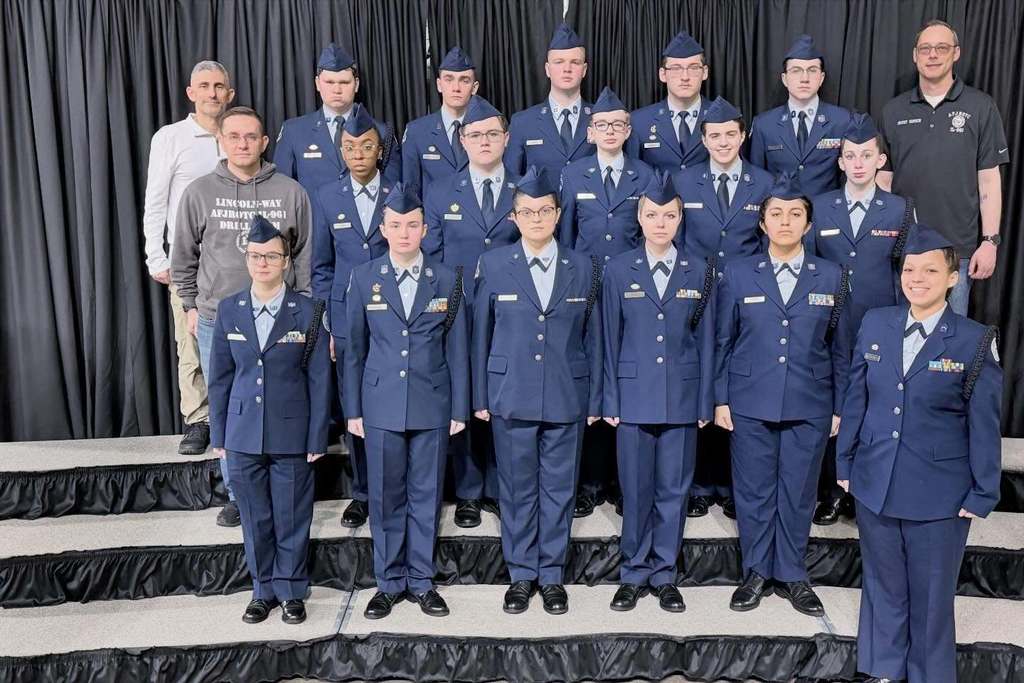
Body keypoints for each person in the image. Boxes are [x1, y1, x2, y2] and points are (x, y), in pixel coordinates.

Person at [836, 224, 1002, 683]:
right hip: (876, 481)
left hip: (939, 493)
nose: (917, 279)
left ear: (953, 278)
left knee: (931, 597)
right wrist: (845, 462)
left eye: (930, 270)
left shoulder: (973, 340)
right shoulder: (876, 323)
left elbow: (984, 424)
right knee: (883, 587)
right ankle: (884, 671)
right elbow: (857, 399)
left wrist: (983, 490)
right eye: (910, 270)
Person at [714, 172, 851, 617]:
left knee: (798, 490)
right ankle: (756, 571)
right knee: (753, 490)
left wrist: (839, 407)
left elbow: (840, 349)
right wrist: (720, 399)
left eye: (795, 215)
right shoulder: (739, 273)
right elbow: (722, 341)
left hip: (810, 402)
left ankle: (792, 573)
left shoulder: (830, 275)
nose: (785, 222)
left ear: (808, 225)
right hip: (750, 399)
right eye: (776, 214)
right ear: (763, 223)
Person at [171, 106, 312, 528]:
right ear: (221, 141)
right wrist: (190, 305)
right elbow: (183, 257)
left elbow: (306, 256)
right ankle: (238, 494)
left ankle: (280, 489)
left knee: (278, 402)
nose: (243, 144)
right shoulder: (199, 192)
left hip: (282, 320)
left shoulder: (290, 192)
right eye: (234, 136)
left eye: (251, 136)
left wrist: (308, 310)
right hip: (218, 319)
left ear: (264, 142)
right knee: (229, 405)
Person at [473, 166, 602, 615]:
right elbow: (480, 335)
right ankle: (521, 574)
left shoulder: (582, 266)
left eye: (545, 211)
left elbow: (594, 338)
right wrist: (480, 397)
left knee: (559, 489)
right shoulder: (494, 264)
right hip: (510, 393)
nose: (536, 219)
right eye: (527, 212)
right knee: (517, 489)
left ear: (558, 214)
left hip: (567, 393)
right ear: (513, 217)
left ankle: (551, 575)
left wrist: (596, 398)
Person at [346, 183, 470, 620]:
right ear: (383, 229)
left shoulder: (446, 278)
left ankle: (421, 581)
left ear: (425, 229)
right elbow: (354, 350)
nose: (404, 233)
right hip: (380, 404)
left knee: (425, 495)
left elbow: (457, 348)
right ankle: (388, 582)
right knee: (385, 497)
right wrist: (353, 409)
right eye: (396, 225)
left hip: (431, 403)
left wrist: (459, 408)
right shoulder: (364, 278)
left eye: (412, 225)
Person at [206, 216, 331, 626]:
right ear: (247, 259)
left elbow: (319, 378)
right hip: (243, 434)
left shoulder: (308, 311)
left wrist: (317, 436)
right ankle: (262, 591)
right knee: (255, 518)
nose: (263, 263)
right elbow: (220, 378)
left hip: (292, 433)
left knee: (292, 517)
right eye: (256, 256)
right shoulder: (229, 310)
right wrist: (220, 433)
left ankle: (291, 591)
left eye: (272, 256)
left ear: (286, 261)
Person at [601, 172, 715, 612]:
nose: (660, 223)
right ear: (639, 218)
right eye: (652, 215)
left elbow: (706, 340)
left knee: (673, 491)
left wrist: (704, 401)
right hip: (632, 397)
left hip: (682, 398)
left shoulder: (698, 270)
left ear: (680, 218)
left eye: (669, 216)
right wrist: (610, 398)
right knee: (636, 490)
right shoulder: (618, 269)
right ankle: (633, 572)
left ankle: (664, 572)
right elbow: (608, 338)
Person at [673, 96, 774, 519]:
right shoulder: (683, 181)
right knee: (698, 383)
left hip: (746, 298)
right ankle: (699, 485)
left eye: (730, 134)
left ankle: (734, 485)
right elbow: (676, 243)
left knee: (737, 384)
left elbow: (770, 245)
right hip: (696, 296)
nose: (723, 142)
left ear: (743, 135)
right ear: (703, 139)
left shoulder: (764, 183)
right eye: (715, 136)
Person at [808, 112, 911, 525]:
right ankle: (832, 492)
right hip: (830, 326)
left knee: (873, 406)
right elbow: (810, 267)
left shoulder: (899, 209)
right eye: (850, 156)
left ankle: (863, 490)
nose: (858, 163)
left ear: (880, 160)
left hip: (879, 325)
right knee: (834, 405)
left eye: (866, 155)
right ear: (840, 161)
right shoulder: (820, 207)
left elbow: (906, 272)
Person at [558, 85, 654, 517]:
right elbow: (565, 238)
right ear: (590, 131)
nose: (610, 131)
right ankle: (590, 481)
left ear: (629, 130)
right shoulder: (573, 174)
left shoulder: (645, 175)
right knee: (589, 379)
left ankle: (620, 481)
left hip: (633, 291)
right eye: (602, 125)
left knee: (626, 377)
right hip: (587, 289)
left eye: (618, 124)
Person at [423, 95, 518, 527]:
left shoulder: (524, 190)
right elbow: (433, 257)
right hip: (459, 311)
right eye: (475, 135)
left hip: (512, 314)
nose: (484, 141)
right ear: (462, 140)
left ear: (506, 139)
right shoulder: (441, 191)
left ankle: (499, 488)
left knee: (503, 398)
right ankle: (468, 491)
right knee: (463, 396)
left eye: (492, 134)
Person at [877, 19, 1009, 316]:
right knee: (903, 334)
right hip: (904, 250)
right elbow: (884, 181)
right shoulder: (893, 110)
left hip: (956, 253)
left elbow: (989, 181)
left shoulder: (981, 107)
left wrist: (990, 242)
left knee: (950, 337)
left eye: (941, 48)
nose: (933, 55)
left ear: (956, 53)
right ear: (915, 55)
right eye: (925, 48)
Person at [142, 60, 234, 456]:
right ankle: (199, 419)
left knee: (235, 341)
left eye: (219, 86)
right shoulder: (171, 137)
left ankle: (233, 416)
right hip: (189, 261)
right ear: (191, 93)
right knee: (191, 342)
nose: (212, 93)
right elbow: (156, 200)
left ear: (229, 93)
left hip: (235, 260)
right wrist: (155, 256)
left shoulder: (237, 134)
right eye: (205, 86)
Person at [310, 104, 394, 529]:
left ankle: (395, 490)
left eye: (366, 146)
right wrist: (328, 322)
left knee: (395, 402)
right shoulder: (327, 196)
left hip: (394, 317)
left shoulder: (399, 192)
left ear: (380, 150)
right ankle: (362, 493)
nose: (358, 154)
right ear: (340, 151)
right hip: (346, 321)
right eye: (349, 147)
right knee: (354, 406)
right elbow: (321, 268)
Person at [274, 43, 401, 195]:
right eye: (329, 82)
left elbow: (393, 191)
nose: (336, 90)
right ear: (317, 84)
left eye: (344, 82)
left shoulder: (381, 132)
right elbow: (282, 191)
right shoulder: (294, 131)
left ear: (356, 84)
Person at [749, 34, 852, 197]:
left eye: (812, 70)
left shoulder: (842, 121)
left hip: (827, 211)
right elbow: (757, 179)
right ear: (784, 78)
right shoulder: (764, 124)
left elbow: (850, 177)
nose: (805, 78)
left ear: (821, 78)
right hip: (781, 211)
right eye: (796, 71)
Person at [505, 23, 595, 180]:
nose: (567, 69)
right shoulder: (522, 123)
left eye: (575, 62)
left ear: (584, 70)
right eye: (559, 62)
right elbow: (511, 180)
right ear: (547, 69)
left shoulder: (601, 119)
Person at [625, 31, 710, 173]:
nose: (685, 77)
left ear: (705, 72)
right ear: (663, 74)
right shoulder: (639, 122)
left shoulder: (724, 119)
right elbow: (633, 174)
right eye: (676, 68)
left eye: (693, 68)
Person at [401, 46, 478, 194]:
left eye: (464, 80)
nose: (456, 88)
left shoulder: (486, 129)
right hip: (433, 209)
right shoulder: (417, 131)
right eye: (449, 79)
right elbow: (410, 189)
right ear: (439, 85)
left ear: (474, 88)